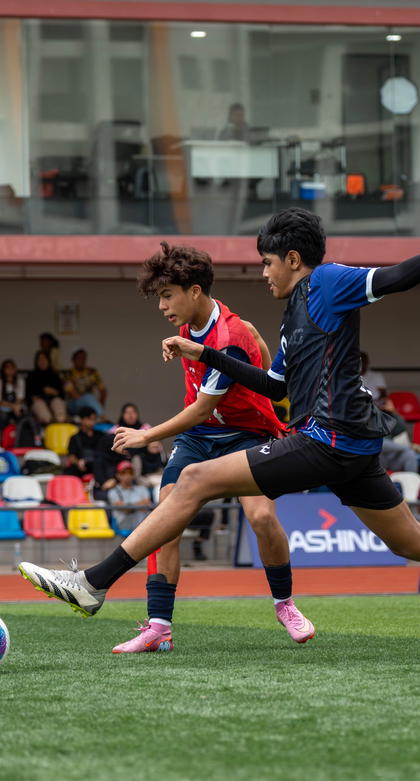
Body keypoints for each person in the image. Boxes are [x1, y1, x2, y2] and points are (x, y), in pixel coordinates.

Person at [20, 208, 420, 650]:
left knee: (191, 482)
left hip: (326, 438)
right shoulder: (295, 314)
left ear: (292, 258)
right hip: (347, 445)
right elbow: (272, 385)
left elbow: (401, 277)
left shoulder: (329, 282)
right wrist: (203, 350)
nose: (263, 274)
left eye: (267, 264)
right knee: (415, 541)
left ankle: (92, 584)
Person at [105, 239, 314, 653]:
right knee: (166, 521)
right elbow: (210, 404)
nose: (162, 306)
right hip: (199, 440)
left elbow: (203, 408)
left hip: (246, 434)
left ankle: (285, 604)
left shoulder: (229, 334)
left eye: (167, 296)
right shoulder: (186, 329)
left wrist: (146, 435)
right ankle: (158, 627)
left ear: (194, 291)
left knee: (260, 518)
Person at [62, 348, 107, 419]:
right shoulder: (67, 374)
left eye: (83, 358)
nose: (81, 360)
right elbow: (73, 394)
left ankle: (99, 415)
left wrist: (99, 405)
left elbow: (103, 391)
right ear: (73, 360)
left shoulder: (92, 372)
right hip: (74, 405)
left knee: (89, 398)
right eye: (79, 358)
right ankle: (102, 417)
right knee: (88, 397)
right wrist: (90, 404)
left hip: (91, 404)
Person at [108, 460, 152, 533]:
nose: (127, 476)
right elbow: (125, 509)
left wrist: (128, 506)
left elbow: (147, 504)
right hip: (123, 528)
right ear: (118, 475)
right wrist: (140, 505)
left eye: (130, 473)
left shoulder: (142, 489)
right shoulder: (112, 492)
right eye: (123, 473)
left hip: (142, 528)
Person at [26, 350, 68, 425]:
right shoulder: (31, 376)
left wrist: (54, 392)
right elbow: (29, 395)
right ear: (36, 362)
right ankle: (50, 427)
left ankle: (60, 424)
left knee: (58, 404)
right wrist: (43, 391)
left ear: (48, 360)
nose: (42, 361)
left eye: (44, 359)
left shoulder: (55, 375)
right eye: (40, 359)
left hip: (54, 400)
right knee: (41, 407)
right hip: (39, 403)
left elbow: (61, 394)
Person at [64, 407, 103, 479]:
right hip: (81, 466)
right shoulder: (75, 438)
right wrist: (78, 462)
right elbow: (71, 456)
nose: (92, 422)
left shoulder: (101, 435)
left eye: (94, 419)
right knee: (68, 473)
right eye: (89, 419)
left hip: (98, 465)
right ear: (81, 420)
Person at [0, 359, 26, 429]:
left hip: (15, 407)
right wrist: (13, 406)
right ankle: (3, 436)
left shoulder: (20, 381)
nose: (10, 370)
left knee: (23, 414)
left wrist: (16, 407)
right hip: (0, 407)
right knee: (3, 416)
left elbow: (20, 398)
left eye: (12, 368)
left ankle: (19, 435)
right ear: (3, 370)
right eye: (7, 368)